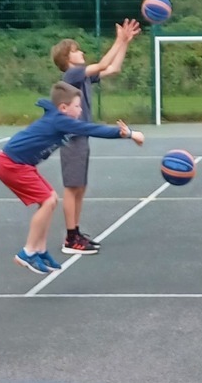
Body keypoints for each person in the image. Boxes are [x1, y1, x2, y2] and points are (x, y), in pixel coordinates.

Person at [0, 81, 145, 273]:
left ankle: (40, 249)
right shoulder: (60, 120)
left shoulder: (59, 119)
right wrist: (128, 134)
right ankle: (27, 251)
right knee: (48, 201)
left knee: (50, 200)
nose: (80, 110)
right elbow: (91, 129)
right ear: (64, 108)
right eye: (77, 106)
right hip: (11, 164)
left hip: (19, 163)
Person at [51, 20, 143, 256]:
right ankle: (71, 239)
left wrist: (125, 44)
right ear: (68, 58)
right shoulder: (71, 75)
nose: (81, 51)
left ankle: (76, 232)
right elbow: (102, 63)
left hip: (81, 138)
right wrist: (119, 39)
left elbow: (113, 69)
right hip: (72, 139)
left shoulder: (82, 78)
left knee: (79, 187)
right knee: (72, 188)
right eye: (76, 50)